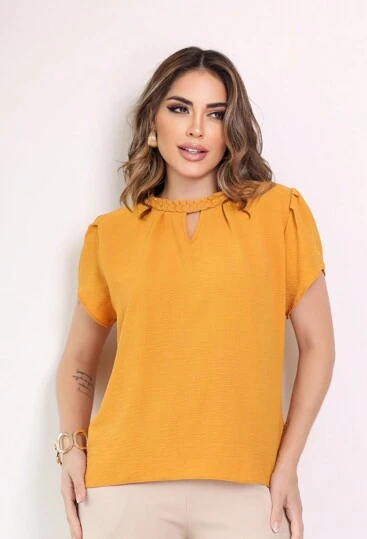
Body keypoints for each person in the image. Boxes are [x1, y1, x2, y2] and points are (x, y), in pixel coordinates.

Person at [55, 46, 335, 539]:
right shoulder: (111, 234)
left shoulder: (279, 213)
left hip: (246, 487)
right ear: (153, 120)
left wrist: (287, 466)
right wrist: (71, 448)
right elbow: (79, 358)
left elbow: (318, 347)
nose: (196, 129)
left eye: (216, 114)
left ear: (232, 129)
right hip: (122, 487)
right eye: (180, 108)